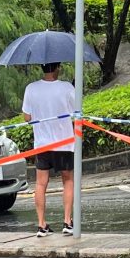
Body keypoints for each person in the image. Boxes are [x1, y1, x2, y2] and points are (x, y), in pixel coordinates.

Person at [20, 61, 79, 236]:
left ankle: (41, 225)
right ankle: (67, 222)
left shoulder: (31, 88)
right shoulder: (67, 87)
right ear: (58, 68)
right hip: (64, 142)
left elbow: (27, 117)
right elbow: (77, 111)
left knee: (40, 183)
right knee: (67, 180)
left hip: (42, 143)